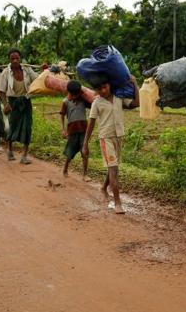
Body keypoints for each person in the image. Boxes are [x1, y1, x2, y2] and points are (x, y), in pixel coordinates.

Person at [82, 74, 140, 214]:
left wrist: (135, 84)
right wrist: (85, 144)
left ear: (110, 86)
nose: (103, 90)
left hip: (119, 137)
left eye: (105, 87)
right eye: (99, 88)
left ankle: (103, 188)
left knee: (112, 167)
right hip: (105, 138)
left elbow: (136, 104)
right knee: (114, 169)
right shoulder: (97, 102)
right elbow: (91, 123)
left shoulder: (119, 97)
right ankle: (117, 203)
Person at [0, 49, 38, 164]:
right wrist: (5, 104)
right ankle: (9, 150)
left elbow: (37, 79)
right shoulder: (5, 72)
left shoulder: (27, 69)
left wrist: (45, 70)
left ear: (20, 58)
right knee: (13, 127)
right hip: (13, 103)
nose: (15, 60)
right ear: (9, 59)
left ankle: (24, 156)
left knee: (27, 127)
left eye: (17, 58)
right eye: (12, 58)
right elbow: (1, 90)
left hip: (26, 101)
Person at [60, 80, 90, 181]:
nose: (75, 96)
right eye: (73, 95)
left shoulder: (83, 100)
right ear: (69, 93)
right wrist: (63, 129)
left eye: (77, 94)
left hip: (83, 130)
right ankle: (65, 169)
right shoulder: (65, 102)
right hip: (72, 131)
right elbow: (62, 115)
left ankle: (85, 174)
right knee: (70, 151)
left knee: (85, 152)